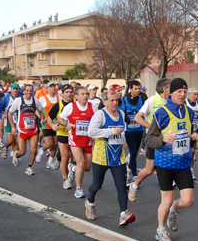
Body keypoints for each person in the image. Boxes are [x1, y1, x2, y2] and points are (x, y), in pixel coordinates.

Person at [144, 78, 198, 241]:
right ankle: (160, 230)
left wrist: (193, 138)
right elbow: (149, 139)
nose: (182, 95)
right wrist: (163, 139)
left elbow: (187, 137)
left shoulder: (189, 112)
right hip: (165, 163)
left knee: (188, 201)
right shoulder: (161, 113)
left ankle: (173, 210)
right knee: (166, 200)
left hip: (182, 164)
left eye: (184, 92)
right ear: (171, 93)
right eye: (179, 92)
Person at [84, 90, 136, 226]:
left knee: (121, 186)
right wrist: (111, 132)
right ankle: (90, 201)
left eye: (116, 100)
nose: (114, 103)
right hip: (102, 157)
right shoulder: (100, 115)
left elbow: (121, 130)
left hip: (118, 157)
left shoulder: (122, 114)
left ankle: (123, 213)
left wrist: (123, 140)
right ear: (104, 101)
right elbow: (91, 132)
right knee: (97, 185)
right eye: (111, 100)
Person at [128, 78, 171, 201]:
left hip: (167, 140)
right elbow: (137, 117)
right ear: (164, 88)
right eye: (170, 87)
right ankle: (134, 185)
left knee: (169, 168)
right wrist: (151, 128)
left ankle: (169, 203)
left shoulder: (171, 101)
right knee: (149, 169)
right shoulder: (151, 101)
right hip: (153, 139)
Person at [58, 86, 97, 198]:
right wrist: (66, 124)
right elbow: (60, 119)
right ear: (77, 96)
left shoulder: (93, 106)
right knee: (81, 163)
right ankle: (78, 189)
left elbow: (97, 120)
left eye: (86, 94)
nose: (85, 96)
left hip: (88, 140)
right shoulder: (70, 107)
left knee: (88, 167)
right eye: (83, 94)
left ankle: (72, 168)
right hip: (75, 140)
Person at [8, 84, 45, 176]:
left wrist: (42, 120)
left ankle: (29, 167)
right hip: (22, 130)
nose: (29, 92)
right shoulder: (18, 101)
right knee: (23, 151)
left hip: (33, 130)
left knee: (33, 150)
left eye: (31, 91)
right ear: (23, 91)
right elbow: (10, 113)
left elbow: (41, 111)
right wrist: (13, 126)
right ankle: (16, 154)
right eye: (27, 90)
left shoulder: (36, 101)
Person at [47, 85, 75, 188]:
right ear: (62, 94)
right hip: (62, 133)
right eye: (66, 92)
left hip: (75, 134)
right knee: (65, 157)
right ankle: (65, 179)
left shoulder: (76, 104)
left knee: (75, 159)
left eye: (71, 92)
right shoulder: (58, 105)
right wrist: (52, 125)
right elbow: (49, 118)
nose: (69, 94)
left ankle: (72, 169)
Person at [122, 80, 147, 184]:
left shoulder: (143, 97)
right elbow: (121, 112)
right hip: (128, 130)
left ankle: (129, 168)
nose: (137, 90)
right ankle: (135, 175)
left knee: (135, 153)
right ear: (131, 89)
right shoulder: (125, 99)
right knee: (132, 152)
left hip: (139, 129)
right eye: (135, 89)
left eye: (139, 88)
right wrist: (126, 118)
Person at [37, 81, 62, 169]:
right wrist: (41, 118)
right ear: (47, 88)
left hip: (56, 124)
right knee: (49, 144)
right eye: (51, 86)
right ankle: (42, 150)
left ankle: (50, 162)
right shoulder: (43, 99)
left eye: (54, 86)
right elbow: (38, 110)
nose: (53, 88)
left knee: (55, 144)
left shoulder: (59, 98)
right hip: (47, 124)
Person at [0, 83, 22, 160]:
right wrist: (2, 114)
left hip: (18, 122)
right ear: (11, 89)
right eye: (14, 89)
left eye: (17, 89)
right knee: (10, 140)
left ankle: (14, 154)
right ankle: (5, 148)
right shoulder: (6, 98)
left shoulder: (21, 98)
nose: (15, 90)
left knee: (17, 140)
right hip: (8, 122)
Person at [185, 87, 198, 180]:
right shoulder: (185, 103)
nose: (196, 96)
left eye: (197, 94)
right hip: (185, 132)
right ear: (189, 94)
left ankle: (191, 170)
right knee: (184, 152)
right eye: (194, 94)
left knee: (192, 152)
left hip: (194, 131)